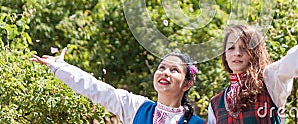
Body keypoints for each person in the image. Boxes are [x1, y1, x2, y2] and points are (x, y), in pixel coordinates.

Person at [31, 50, 205, 124]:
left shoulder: (197, 123)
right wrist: (60, 67)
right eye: (162, 67)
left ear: (187, 83)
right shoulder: (136, 107)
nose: (165, 73)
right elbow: (96, 89)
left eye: (174, 70)